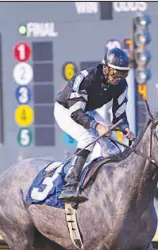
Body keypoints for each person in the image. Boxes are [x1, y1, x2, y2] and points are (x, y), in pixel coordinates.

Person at [54, 47, 135, 202]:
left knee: (112, 149)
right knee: (88, 138)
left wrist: (125, 129)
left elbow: (119, 115)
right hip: (67, 110)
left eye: (123, 73)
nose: (118, 78)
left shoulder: (121, 85)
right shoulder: (85, 79)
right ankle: (69, 185)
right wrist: (97, 126)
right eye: (114, 73)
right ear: (105, 68)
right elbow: (76, 113)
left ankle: (108, 186)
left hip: (88, 110)